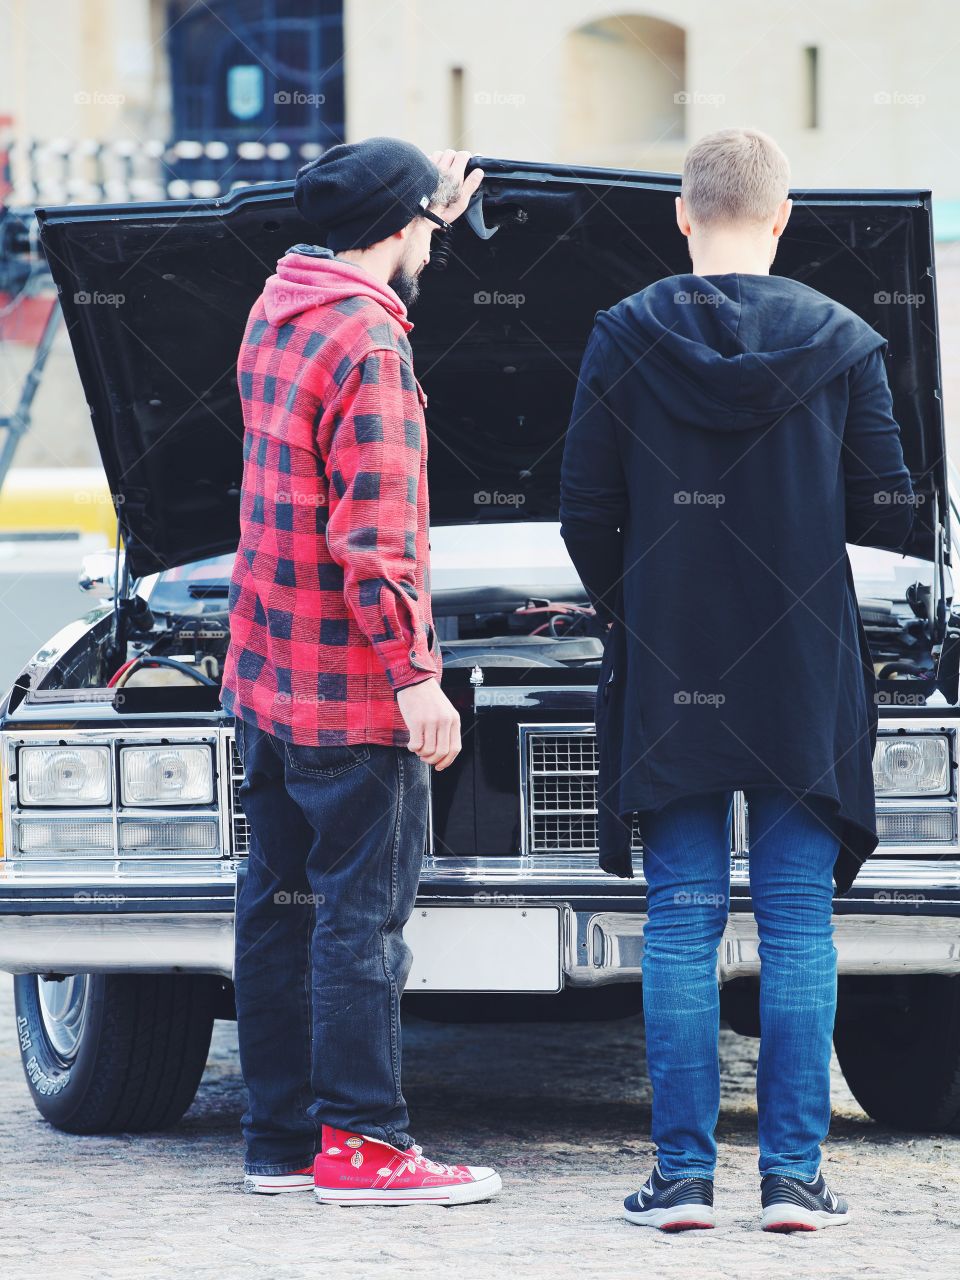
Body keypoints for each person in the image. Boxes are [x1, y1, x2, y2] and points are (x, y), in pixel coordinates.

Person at [559, 127, 915, 1233]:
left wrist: (645, 603)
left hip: (673, 664)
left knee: (681, 916)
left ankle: (680, 1182)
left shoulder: (621, 336)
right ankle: (795, 1180)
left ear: (681, 213)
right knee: (800, 920)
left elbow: (585, 512)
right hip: (803, 666)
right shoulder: (846, 338)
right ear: (782, 215)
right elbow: (887, 504)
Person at [220, 137, 501, 1206]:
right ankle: (367, 1146)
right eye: (428, 222)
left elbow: (384, 242)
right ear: (395, 227)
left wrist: (433, 198)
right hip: (350, 694)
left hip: (267, 682)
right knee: (360, 923)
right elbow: (376, 545)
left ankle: (281, 1141)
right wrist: (418, 678)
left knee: (278, 909)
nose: (435, 237)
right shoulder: (372, 346)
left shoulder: (279, 306)